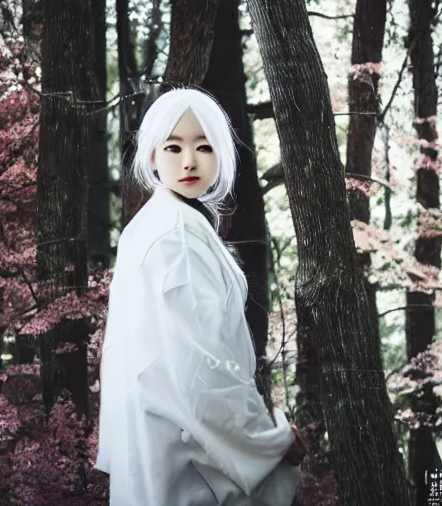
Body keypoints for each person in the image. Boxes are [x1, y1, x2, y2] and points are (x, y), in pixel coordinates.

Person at [95, 87, 307, 505]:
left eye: (204, 146)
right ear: (153, 156)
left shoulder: (151, 225)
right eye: (173, 147)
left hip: (156, 443)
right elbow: (202, 366)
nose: (189, 161)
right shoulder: (177, 235)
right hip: (186, 451)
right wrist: (269, 439)